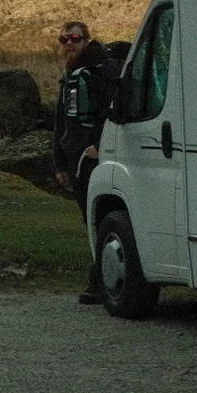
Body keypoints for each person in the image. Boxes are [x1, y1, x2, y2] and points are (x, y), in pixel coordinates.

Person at [49, 18, 121, 304]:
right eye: (64, 40)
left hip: (91, 157)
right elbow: (60, 121)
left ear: (86, 40)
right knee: (89, 217)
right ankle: (102, 277)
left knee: (98, 217)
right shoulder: (71, 74)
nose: (69, 45)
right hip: (74, 157)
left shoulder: (103, 70)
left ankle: (101, 280)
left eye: (74, 39)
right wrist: (59, 162)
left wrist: (100, 144)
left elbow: (115, 106)